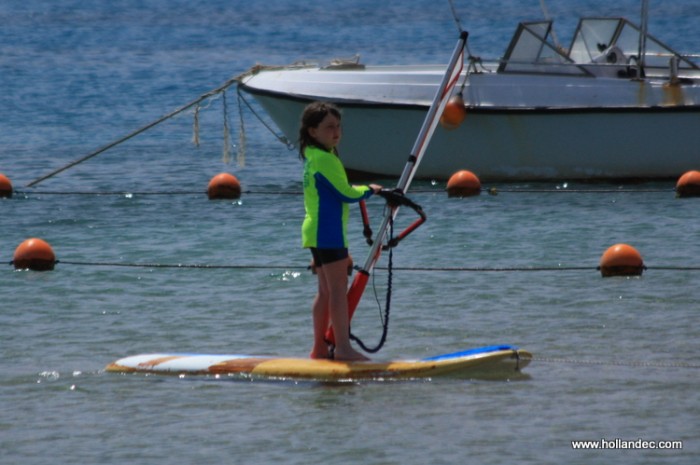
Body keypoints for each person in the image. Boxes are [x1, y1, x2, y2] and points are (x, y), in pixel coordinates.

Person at [299, 101, 381, 361]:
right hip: (329, 232)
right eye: (329, 127)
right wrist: (370, 189)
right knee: (336, 292)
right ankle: (343, 349)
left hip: (315, 231)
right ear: (313, 131)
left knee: (325, 291)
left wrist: (356, 187)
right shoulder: (325, 159)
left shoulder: (313, 155)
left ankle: (319, 349)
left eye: (338, 126)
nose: (336, 132)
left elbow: (335, 187)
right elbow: (346, 194)